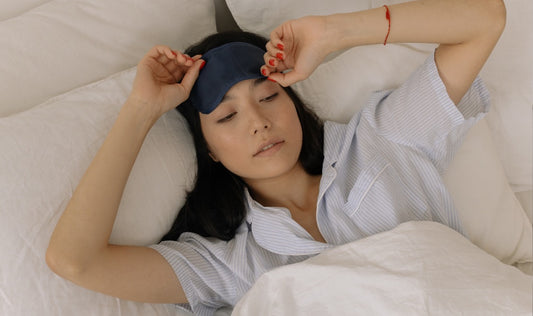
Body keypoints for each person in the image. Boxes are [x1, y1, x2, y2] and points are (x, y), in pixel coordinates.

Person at [46, 0, 506, 315]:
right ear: (210, 151)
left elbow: (486, 20)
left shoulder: (384, 140)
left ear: (294, 102)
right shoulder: (225, 262)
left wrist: (337, 31)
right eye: (227, 117)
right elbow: (74, 261)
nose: (258, 123)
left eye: (268, 96)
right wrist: (141, 110)